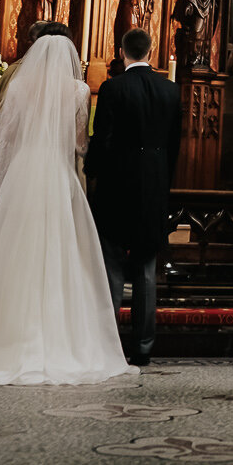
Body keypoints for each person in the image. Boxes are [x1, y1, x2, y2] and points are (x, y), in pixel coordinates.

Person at [0, 28, 133, 386]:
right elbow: (80, 145)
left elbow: (5, 143)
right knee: (60, 252)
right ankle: (58, 338)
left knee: (15, 253)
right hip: (56, 174)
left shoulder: (18, 86)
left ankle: (3, 339)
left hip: (21, 174)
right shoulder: (79, 91)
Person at [85, 26, 181, 365]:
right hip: (153, 186)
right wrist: (162, 181)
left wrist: (91, 173)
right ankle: (143, 348)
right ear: (150, 51)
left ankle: (109, 345)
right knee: (145, 268)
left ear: (122, 52)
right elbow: (175, 145)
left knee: (111, 265)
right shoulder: (171, 90)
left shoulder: (114, 87)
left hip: (116, 186)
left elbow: (103, 137)